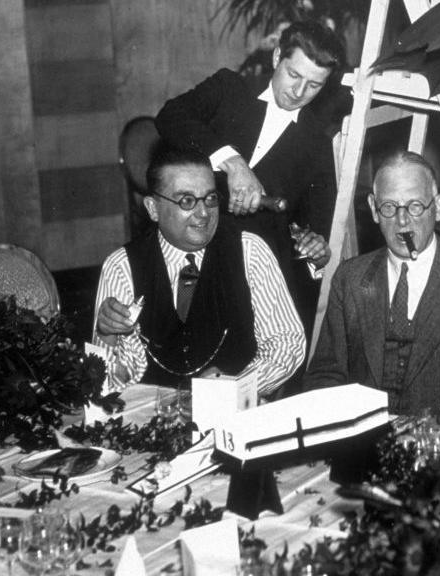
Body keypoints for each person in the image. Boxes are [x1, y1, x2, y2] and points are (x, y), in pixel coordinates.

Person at [93, 145, 305, 517]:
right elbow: (113, 387)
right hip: (153, 448)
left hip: (238, 435)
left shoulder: (249, 250)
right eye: (187, 200)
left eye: (210, 198)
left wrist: (234, 385)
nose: (204, 213)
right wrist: (109, 337)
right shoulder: (121, 265)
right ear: (153, 208)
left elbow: (288, 345)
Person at [155, 20, 345, 342]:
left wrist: (316, 251)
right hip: (182, 250)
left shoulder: (317, 144)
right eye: (294, 75)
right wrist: (233, 162)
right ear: (276, 59)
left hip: (249, 277)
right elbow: (170, 116)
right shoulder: (229, 88)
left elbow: (316, 228)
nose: (298, 92)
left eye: (314, 86)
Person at [304, 151, 440, 415]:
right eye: (389, 207)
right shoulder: (349, 279)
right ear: (374, 209)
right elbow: (324, 377)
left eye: (415, 206)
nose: (402, 221)